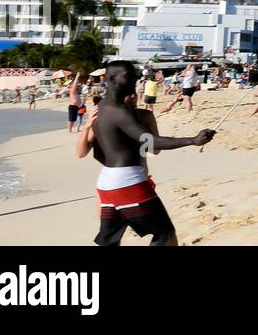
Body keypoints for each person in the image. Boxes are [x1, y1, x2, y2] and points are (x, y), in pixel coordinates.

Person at [89, 61, 215, 246]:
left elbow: (98, 154)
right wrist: (192, 140)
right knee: (165, 234)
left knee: (109, 240)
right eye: (129, 75)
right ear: (111, 78)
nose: (135, 79)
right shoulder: (119, 111)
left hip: (106, 183)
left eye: (135, 75)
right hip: (127, 183)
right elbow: (149, 141)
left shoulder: (100, 111)